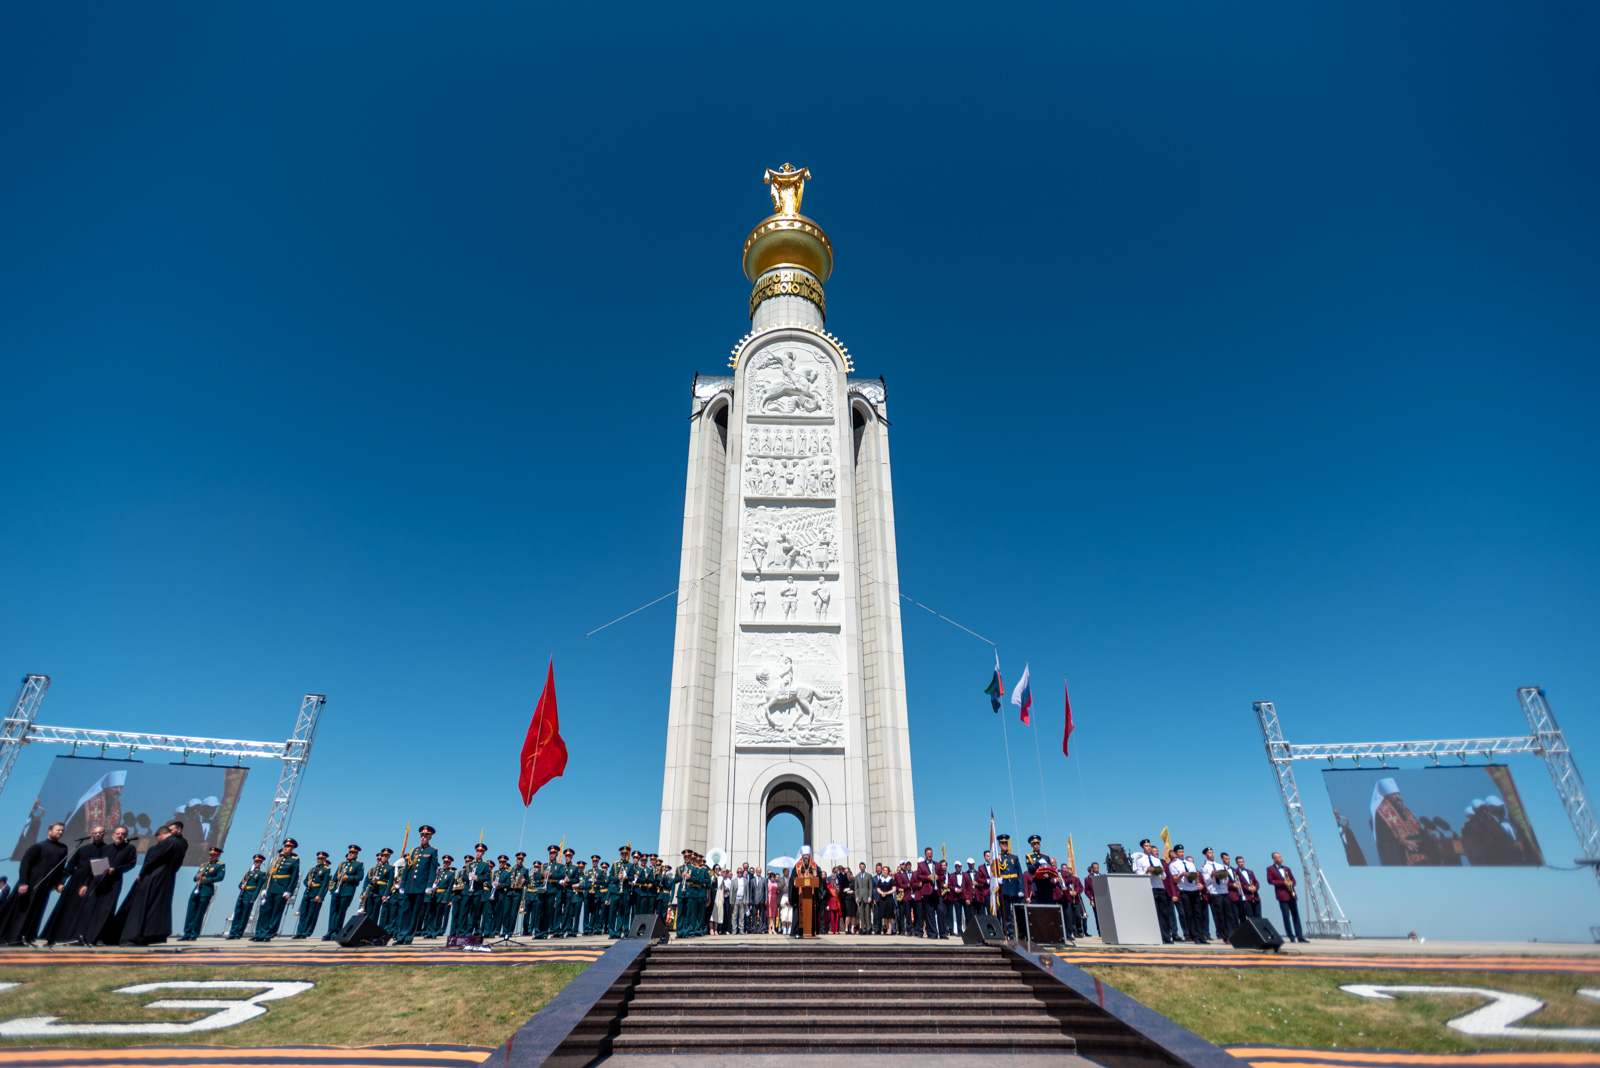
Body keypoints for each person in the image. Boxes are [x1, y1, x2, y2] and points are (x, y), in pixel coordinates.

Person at [121, 820, 189, 945]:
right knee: (159, 906)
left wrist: (141, 873)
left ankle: (135, 936)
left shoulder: (166, 843)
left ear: (160, 835)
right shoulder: (180, 844)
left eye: (157, 838)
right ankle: (155, 935)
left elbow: (152, 859)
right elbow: (178, 862)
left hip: (153, 876)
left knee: (143, 904)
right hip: (167, 876)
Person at [3, 821, 68, 944]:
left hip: (46, 884)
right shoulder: (38, 847)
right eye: (58, 830)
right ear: (49, 831)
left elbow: (60, 867)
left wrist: (58, 882)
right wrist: (23, 883)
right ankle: (13, 937)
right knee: (23, 910)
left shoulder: (63, 848)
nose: (60, 832)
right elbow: (25, 864)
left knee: (37, 909)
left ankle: (28, 936)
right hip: (31, 882)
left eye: (62, 830)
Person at [43, 824, 108, 945]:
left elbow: (101, 870)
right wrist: (62, 882)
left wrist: (87, 884)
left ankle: (77, 937)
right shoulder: (83, 849)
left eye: (100, 832)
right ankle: (54, 936)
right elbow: (70, 866)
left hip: (94, 883)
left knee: (84, 911)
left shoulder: (107, 850)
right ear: (92, 834)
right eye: (95, 833)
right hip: (75, 881)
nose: (98, 834)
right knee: (65, 908)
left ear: (104, 833)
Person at [393, 825, 439, 944]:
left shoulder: (432, 851)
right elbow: (407, 869)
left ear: (430, 837)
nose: (423, 838)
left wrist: (430, 884)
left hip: (421, 886)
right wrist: (402, 884)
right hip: (409, 885)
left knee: (415, 913)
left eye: (425, 836)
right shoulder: (414, 851)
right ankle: (401, 936)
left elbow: (432, 869)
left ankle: (408, 937)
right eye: (421, 836)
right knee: (405, 911)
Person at [252, 838, 300, 941]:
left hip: (281, 890)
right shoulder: (278, 860)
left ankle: (269, 934)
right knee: (267, 911)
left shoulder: (294, 860)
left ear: (292, 848)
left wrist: (289, 891)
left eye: (288, 847)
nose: (285, 848)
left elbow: (294, 877)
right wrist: (265, 888)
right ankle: (261, 933)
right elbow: (270, 875)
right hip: (271, 888)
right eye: (285, 846)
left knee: (276, 912)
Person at [1131, 839, 1174, 944]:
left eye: (1149, 846)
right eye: (1146, 846)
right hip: (1150, 887)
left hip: (1159, 886)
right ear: (1142, 848)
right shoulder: (1140, 860)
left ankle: (1167, 936)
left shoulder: (1157, 860)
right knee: (1154, 913)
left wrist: (1162, 871)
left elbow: (1164, 877)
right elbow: (1139, 875)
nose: (1148, 847)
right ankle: (1157, 936)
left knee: (1164, 912)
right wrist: (1147, 871)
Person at [180, 846, 226, 940]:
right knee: (191, 912)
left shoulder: (220, 865)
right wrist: (197, 876)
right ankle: (186, 933)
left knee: (199, 913)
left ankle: (194, 934)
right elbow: (194, 878)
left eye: (213, 855)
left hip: (206, 890)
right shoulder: (204, 865)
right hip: (197, 889)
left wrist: (207, 879)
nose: (210, 857)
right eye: (210, 855)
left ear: (217, 855)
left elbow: (220, 877)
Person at [1168, 845, 1207, 944]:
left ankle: (1201, 935)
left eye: (1183, 851)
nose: (1182, 853)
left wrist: (1195, 877)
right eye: (1180, 852)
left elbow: (1196, 876)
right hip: (1184, 890)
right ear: (1176, 853)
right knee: (1189, 914)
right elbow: (1175, 879)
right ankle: (1194, 936)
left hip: (1193, 889)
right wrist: (1182, 875)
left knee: (1198, 913)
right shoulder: (1173, 865)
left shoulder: (1189, 864)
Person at [323, 846, 364, 939]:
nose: (350, 854)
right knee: (333, 911)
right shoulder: (342, 864)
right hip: (337, 890)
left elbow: (359, 877)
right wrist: (338, 877)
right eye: (349, 852)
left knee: (340, 912)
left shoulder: (358, 865)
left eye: (353, 853)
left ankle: (336, 932)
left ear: (356, 854)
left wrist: (348, 878)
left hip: (347, 890)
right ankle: (330, 931)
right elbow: (333, 878)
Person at [1266, 852, 1307, 942]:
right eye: (1279, 857)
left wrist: (1292, 882)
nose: (1281, 858)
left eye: (1281, 857)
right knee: (1286, 916)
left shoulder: (1287, 868)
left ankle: (1300, 936)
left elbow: (1293, 880)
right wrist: (1283, 883)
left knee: (1296, 916)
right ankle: (1291, 937)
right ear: (1274, 859)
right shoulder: (1270, 869)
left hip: (1291, 894)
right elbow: (1270, 881)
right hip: (1282, 895)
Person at [227, 853, 267, 940]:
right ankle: (233, 932)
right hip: (242, 894)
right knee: (237, 913)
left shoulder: (261, 874)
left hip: (250, 895)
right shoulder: (248, 873)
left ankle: (239, 933)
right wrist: (241, 886)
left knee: (245, 915)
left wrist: (253, 898)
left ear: (261, 863)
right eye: (255, 861)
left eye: (258, 862)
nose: (256, 863)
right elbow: (240, 884)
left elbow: (259, 887)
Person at [293, 851, 331, 938]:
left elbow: (325, 884)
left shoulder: (326, 870)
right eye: (318, 858)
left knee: (311, 914)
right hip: (308, 893)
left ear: (324, 860)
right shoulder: (312, 869)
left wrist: (319, 895)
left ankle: (306, 932)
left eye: (321, 859)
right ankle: (299, 932)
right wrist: (307, 883)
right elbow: (305, 880)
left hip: (315, 893)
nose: (318, 860)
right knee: (303, 913)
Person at [1200, 847, 1231, 941]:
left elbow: (1226, 880)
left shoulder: (1219, 865)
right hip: (1215, 892)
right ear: (1205, 855)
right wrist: (1212, 875)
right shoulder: (1205, 866)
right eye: (1209, 853)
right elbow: (1206, 880)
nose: (1212, 854)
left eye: (1212, 852)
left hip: (1224, 890)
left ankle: (1231, 933)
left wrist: (1225, 876)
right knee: (1220, 915)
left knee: (1229, 914)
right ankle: (1225, 936)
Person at [995, 835, 1023, 938]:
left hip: (1015, 887)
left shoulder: (1014, 857)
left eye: (1006, 843)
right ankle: (1010, 934)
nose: (1005, 845)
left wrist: (1021, 889)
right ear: (999, 845)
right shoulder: (997, 857)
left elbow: (1019, 873)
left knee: (1018, 912)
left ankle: (1020, 934)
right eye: (1002, 843)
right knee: (1005, 913)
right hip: (1005, 888)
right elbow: (995, 872)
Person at [1235, 855, 1261, 919]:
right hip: (1246, 898)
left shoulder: (1250, 872)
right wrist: (1247, 888)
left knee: (1259, 917)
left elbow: (1256, 882)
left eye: (1243, 861)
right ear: (1237, 863)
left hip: (1255, 897)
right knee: (1251, 918)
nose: (1242, 863)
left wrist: (1255, 887)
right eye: (1240, 862)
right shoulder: (1236, 873)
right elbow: (1239, 884)